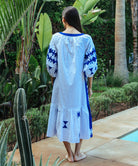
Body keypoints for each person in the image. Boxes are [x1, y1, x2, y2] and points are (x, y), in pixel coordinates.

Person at [46, 6, 98, 162]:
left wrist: (53, 81)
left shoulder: (56, 38)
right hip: (78, 88)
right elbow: (91, 68)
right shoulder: (86, 39)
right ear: (77, 20)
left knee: (63, 117)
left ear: (64, 20)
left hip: (61, 87)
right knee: (80, 116)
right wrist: (90, 87)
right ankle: (78, 153)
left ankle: (69, 154)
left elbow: (51, 66)